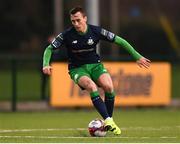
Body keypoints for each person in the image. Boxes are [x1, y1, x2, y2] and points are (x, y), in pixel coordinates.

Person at [42, 6, 151, 135]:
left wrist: (136, 56)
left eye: (78, 20)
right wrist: (45, 64)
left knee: (109, 87)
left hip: (95, 66)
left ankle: (108, 121)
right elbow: (49, 49)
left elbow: (120, 41)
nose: (76, 24)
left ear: (85, 18)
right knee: (91, 86)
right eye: (73, 21)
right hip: (77, 69)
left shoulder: (96, 31)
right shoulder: (67, 35)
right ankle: (109, 120)